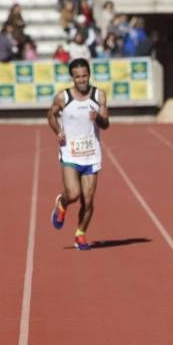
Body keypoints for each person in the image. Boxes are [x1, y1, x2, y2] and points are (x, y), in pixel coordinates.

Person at [47, 58, 110, 250]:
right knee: (73, 194)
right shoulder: (63, 97)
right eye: (77, 77)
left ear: (89, 75)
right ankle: (62, 203)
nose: (81, 80)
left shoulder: (99, 95)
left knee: (88, 200)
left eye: (84, 76)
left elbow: (106, 124)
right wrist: (58, 131)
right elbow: (50, 115)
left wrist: (98, 117)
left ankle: (80, 234)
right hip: (70, 153)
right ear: (72, 78)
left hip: (92, 154)